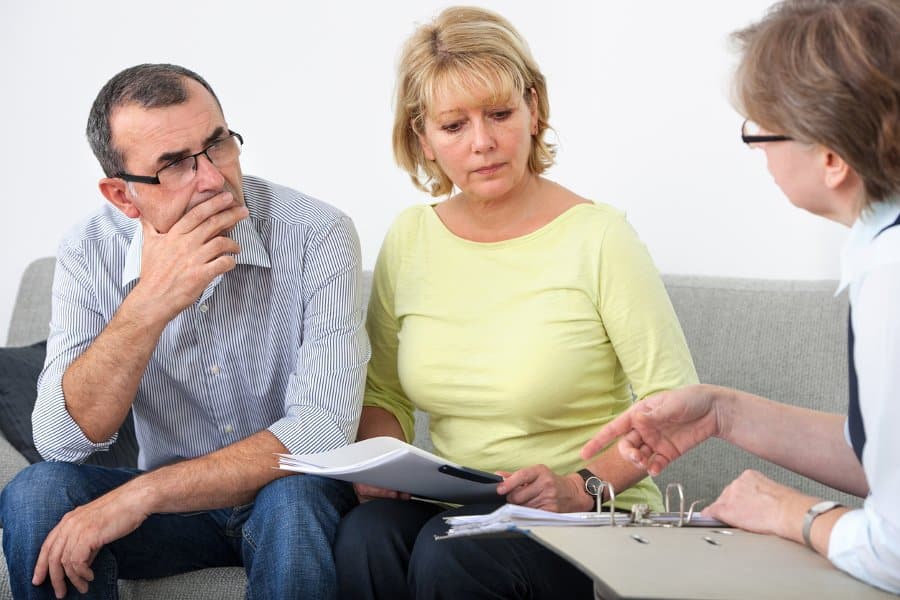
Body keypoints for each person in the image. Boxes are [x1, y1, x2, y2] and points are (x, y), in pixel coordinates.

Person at [334, 7, 698, 599]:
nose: (483, 142)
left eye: (499, 114)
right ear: (424, 139)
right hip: (461, 507)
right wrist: (380, 465)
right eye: (454, 125)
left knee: (451, 553)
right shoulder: (410, 237)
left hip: (588, 515)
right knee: (364, 535)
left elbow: (674, 402)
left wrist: (578, 487)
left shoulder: (600, 237)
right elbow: (384, 393)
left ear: (534, 109)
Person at [0, 64, 369, 599]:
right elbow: (61, 441)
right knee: (37, 494)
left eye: (218, 145)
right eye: (174, 165)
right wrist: (150, 302)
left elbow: (322, 433)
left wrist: (143, 494)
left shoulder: (317, 233)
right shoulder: (89, 250)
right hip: (176, 520)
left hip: (287, 495)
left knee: (294, 502)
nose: (214, 178)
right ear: (123, 196)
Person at [582, 0, 900, 593]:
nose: (757, 151)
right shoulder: (879, 252)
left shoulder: (890, 276)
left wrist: (787, 511)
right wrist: (723, 413)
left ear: (831, 159)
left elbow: (894, 550)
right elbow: (884, 457)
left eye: (761, 131)